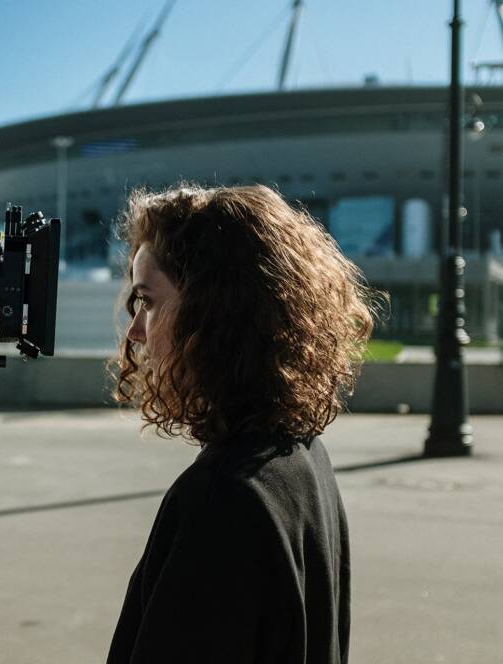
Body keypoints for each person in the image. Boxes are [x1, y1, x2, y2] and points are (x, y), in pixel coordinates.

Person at [108, 184, 378, 663]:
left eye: (147, 301)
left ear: (212, 312)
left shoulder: (221, 498)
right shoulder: (302, 454)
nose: (135, 331)